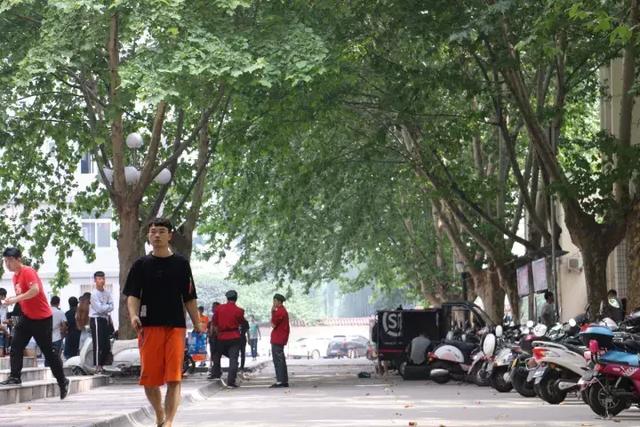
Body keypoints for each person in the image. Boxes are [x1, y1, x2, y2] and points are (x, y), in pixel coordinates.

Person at [123, 218, 201, 427]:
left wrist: (197, 322)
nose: (157, 235)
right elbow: (133, 295)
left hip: (175, 327)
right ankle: (159, 413)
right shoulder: (140, 265)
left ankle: (169, 422)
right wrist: (133, 315)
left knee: (174, 377)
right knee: (150, 379)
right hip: (149, 326)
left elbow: (189, 297)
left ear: (170, 235)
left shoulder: (181, 264)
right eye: (153, 232)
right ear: (149, 236)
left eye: (161, 231)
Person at [0, 247, 69, 399]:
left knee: (48, 353)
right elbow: (23, 298)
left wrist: (16, 299)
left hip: (42, 319)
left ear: (19, 259)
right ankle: (15, 376)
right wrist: (12, 300)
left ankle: (63, 381)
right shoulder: (15, 277)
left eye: (10, 260)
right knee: (15, 346)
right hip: (27, 318)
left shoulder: (28, 271)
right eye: (5, 261)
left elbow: (35, 290)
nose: (7, 264)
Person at [210, 290, 246, 387]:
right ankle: (231, 382)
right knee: (233, 359)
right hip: (234, 337)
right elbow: (242, 322)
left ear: (227, 298)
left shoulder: (219, 309)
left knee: (217, 356)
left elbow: (214, 322)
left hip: (221, 337)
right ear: (236, 298)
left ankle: (215, 373)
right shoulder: (239, 311)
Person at [90, 271, 114, 373]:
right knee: (98, 343)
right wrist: (106, 307)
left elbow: (112, 306)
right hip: (96, 319)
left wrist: (105, 307)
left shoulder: (107, 293)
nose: (102, 281)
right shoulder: (94, 294)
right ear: (95, 280)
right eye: (99, 279)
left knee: (106, 345)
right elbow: (99, 309)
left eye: (103, 278)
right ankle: (97, 366)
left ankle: (102, 364)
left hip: (105, 319)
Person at [270, 293, 290, 388]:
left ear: (279, 301)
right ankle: (282, 380)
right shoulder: (282, 311)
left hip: (278, 338)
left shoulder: (280, 312)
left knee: (278, 360)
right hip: (280, 337)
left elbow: (273, 324)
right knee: (280, 359)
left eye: (274, 301)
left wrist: (272, 312)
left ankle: (281, 380)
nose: (273, 303)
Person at [48, 296, 67, 367]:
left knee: (47, 357)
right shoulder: (60, 313)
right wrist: (63, 336)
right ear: (58, 303)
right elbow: (64, 326)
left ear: (50, 302)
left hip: (47, 338)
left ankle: (47, 369)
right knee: (56, 357)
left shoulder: (45, 311)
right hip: (57, 338)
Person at [206, 302, 220, 379]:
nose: (212, 308)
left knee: (215, 356)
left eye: (214, 307)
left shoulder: (218, 317)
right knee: (215, 356)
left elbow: (214, 329)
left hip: (216, 339)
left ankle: (215, 373)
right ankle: (216, 372)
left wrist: (211, 334)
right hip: (214, 339)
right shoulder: (214, 317)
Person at [0, 288, 8, 357]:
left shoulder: (4, 306)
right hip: (2, 330)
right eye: (4, 296)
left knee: (3, 351)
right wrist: (6, 331)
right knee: (1, 352)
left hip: (3, 330)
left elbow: (4, 319)